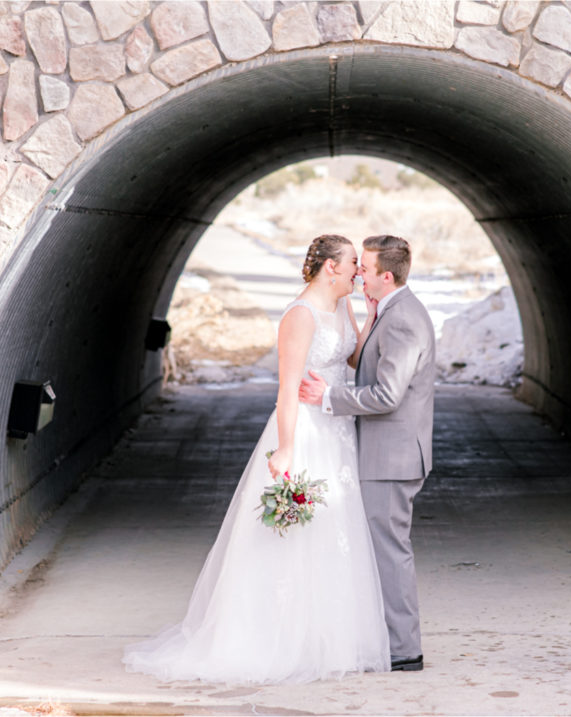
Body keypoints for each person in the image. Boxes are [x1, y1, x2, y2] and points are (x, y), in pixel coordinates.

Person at [123, 235, 389, 684]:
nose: (358, 272)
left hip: (338, 431)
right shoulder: (299, 317)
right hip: (305, 429)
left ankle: (329, 639)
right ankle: (276, 638)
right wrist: (285, 449)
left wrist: (368, 315)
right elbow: (287, 389)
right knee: (295, 535)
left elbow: (354, 359)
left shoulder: (342, 306)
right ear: (329, 268)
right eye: (352, 266)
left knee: (335, 532)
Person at [299, 235, 435, 673]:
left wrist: (329, 397)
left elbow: (387, 395)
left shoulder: (403, 319)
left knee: (389, 552)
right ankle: (389, 641)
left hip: (392, 457)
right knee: (380, 549)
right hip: (385, 453)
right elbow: (368, 361)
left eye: (366, 268)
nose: (359, 274)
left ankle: (404, 650)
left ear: (386, 276)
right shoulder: (389, 310)